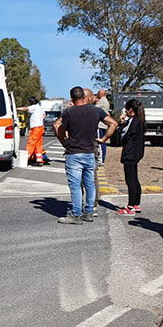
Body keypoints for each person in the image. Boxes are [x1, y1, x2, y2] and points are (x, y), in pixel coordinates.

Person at [55, 86, 118, 224]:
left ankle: (76, 214)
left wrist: (64, 142)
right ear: (84, 97)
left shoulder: (69, 112)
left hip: (74, 153)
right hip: (90, 152)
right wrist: (103, 139)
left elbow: (60, 129)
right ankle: (89, 211)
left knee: (76, 185)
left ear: (71, 98)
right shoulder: (96, 111)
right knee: (90, 183)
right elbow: (113, 123)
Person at [116, 99, 146, 216]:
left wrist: (121, 123)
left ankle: (130, 206)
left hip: (130, 153)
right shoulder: (140, 121)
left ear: (130, 110)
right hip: (136, 153)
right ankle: (136, 204)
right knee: (135, 178)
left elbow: (123, 136)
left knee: (130, 181)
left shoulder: (133, 122)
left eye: (126, 109)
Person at [17, 97, 50, 165]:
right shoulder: (39, 107)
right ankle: (39, 160)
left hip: (36, 128)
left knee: (31, 143)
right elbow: (44, 114)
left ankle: (26, 159)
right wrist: (40, 119)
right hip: (40, 127)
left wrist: (15, 108)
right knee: (38, 145)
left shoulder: (34, 107)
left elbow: (25, 108)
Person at [96, 90, 111, 165]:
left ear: (100, 94)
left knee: (100, 142)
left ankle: (101, 159)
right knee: (103, 142)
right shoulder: (106, 101)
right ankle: (101, 159)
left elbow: (94, 109)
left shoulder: (102, 101)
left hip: (100, 124)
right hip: (103, 125)